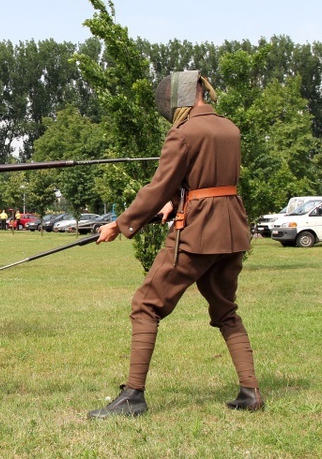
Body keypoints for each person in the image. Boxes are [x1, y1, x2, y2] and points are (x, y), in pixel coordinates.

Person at [88, 71, 263, 419]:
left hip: (198, 232)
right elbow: (207, 179)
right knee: (226, 310)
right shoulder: (229, 129)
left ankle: (133, 397)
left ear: (179, 99)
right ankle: (251, 392)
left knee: (146, 304)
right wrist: (176, 200)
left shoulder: (182, 134)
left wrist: (120, 225)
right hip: (232, 232)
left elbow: (156, 188)